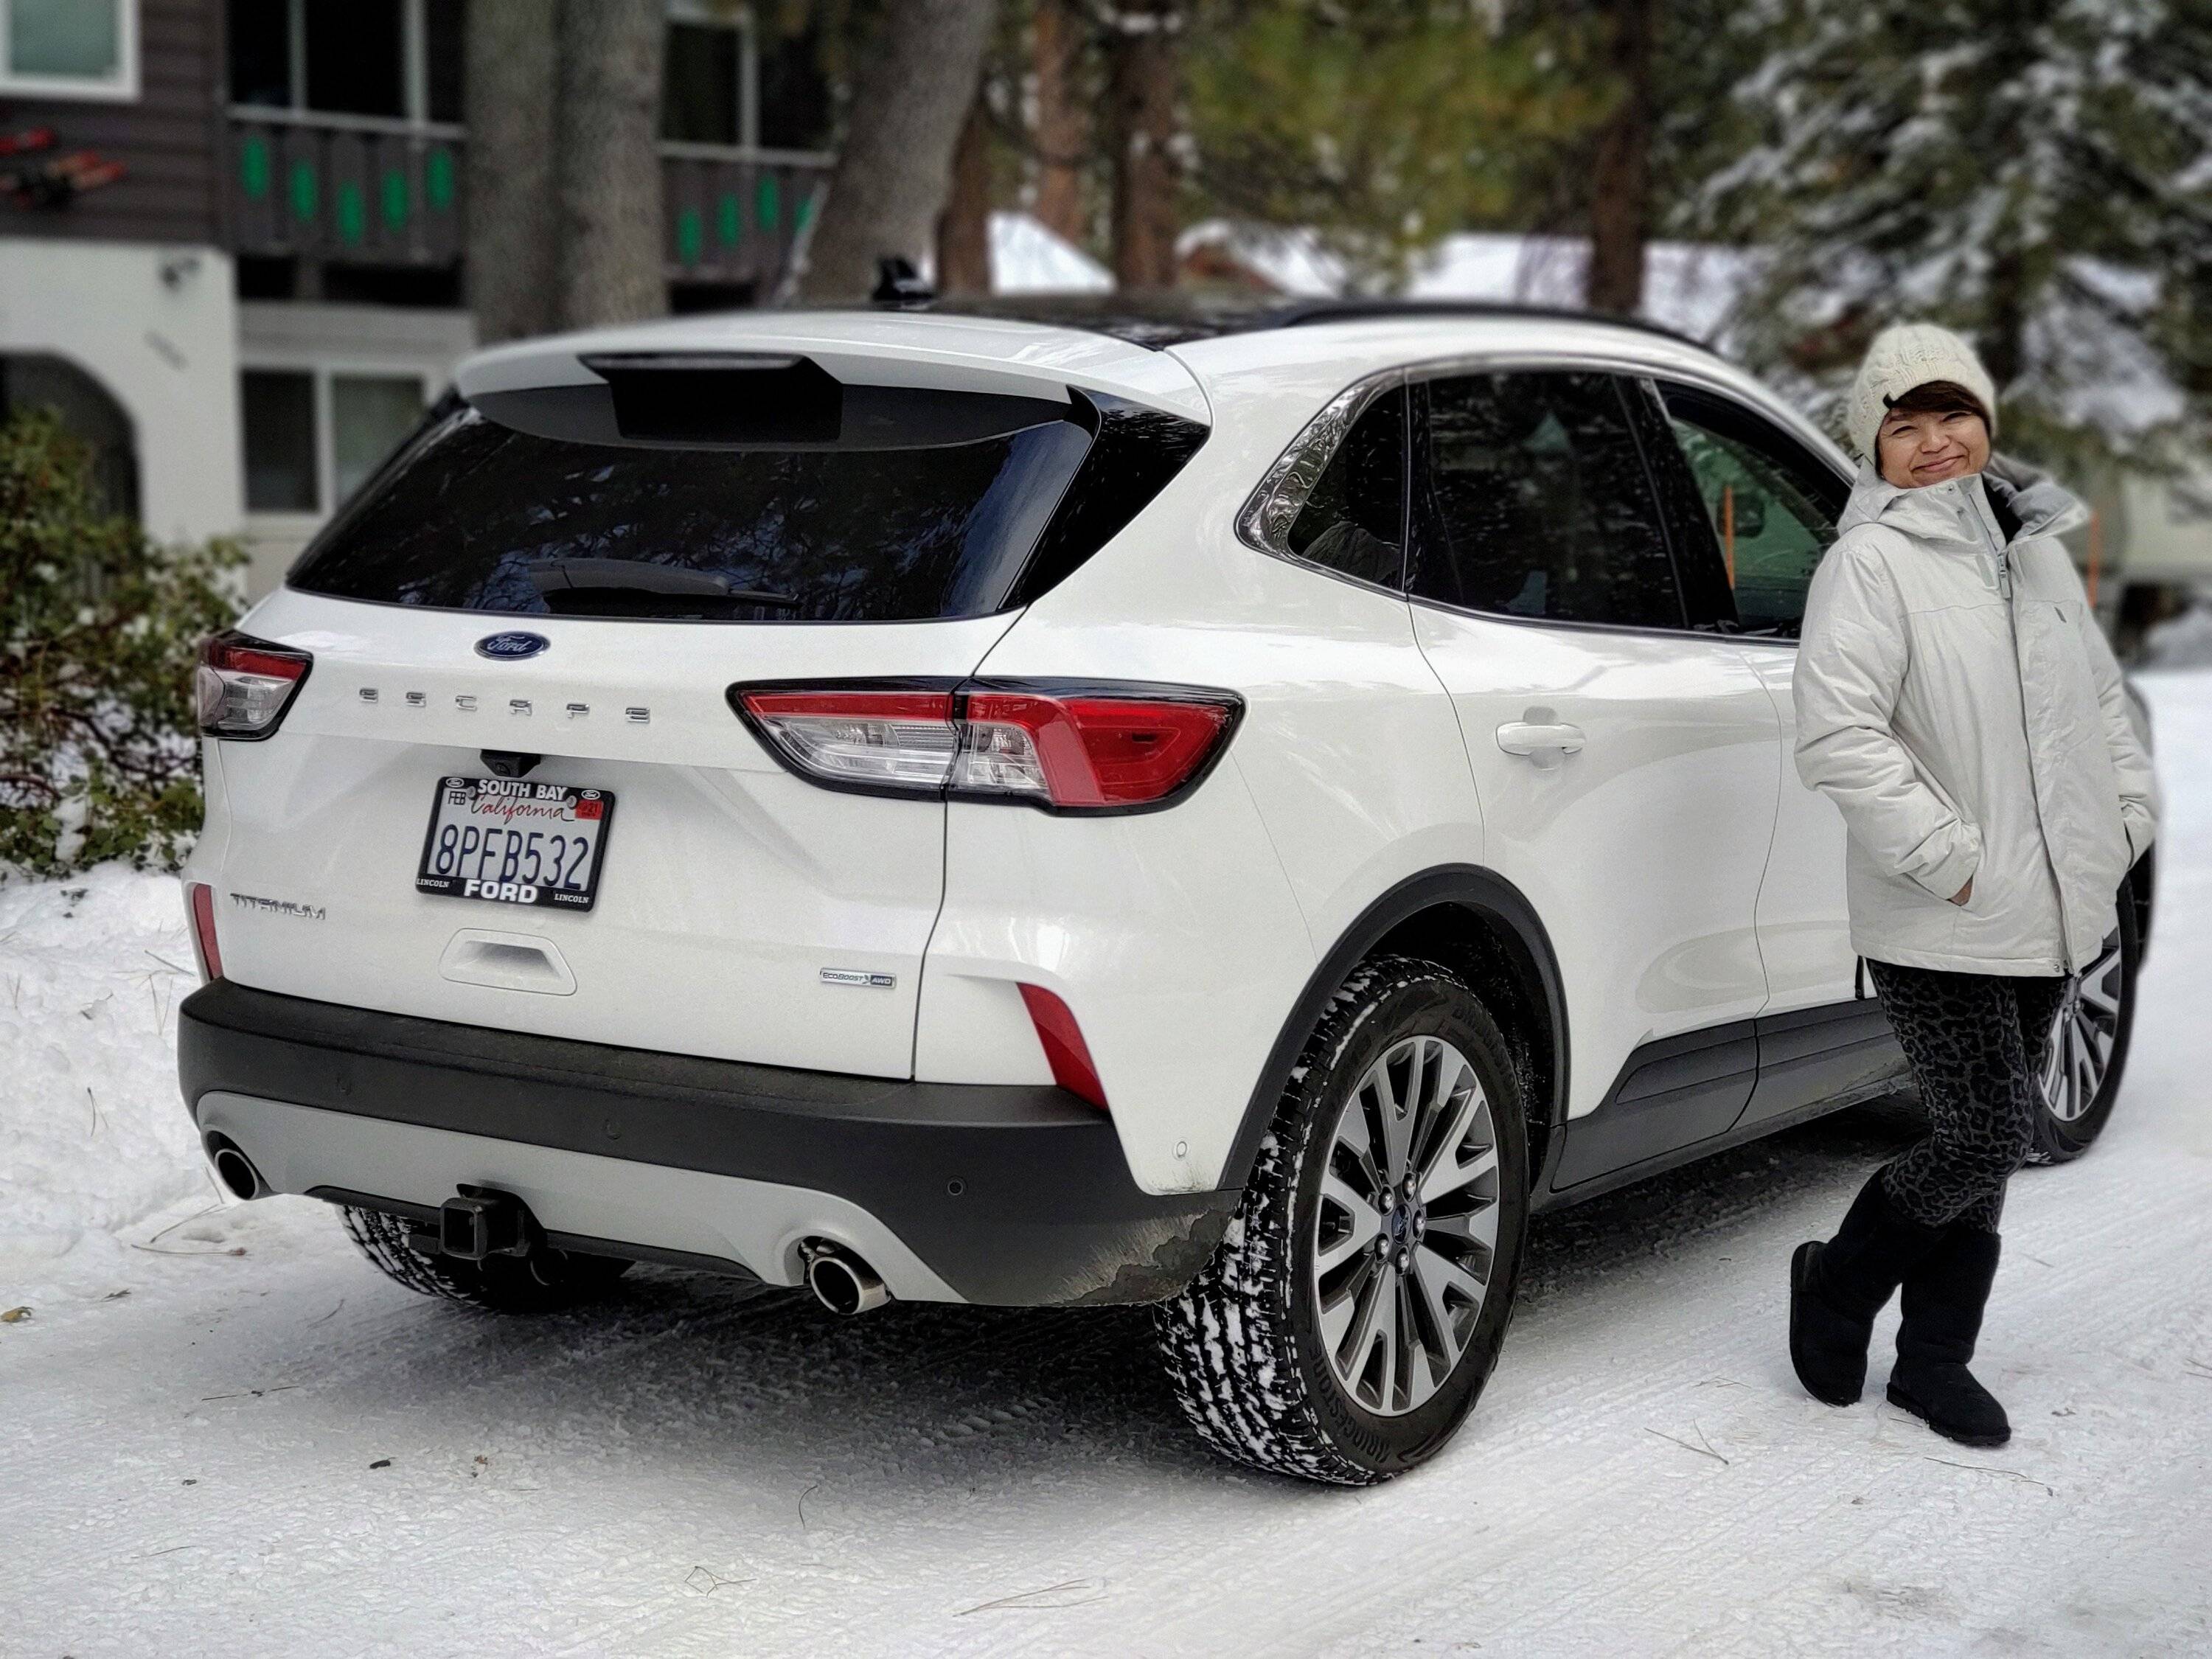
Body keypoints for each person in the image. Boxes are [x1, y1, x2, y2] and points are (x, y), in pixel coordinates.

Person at [1786, 322, 2158, 1447]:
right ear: (1875, 449)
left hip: (2051, 904)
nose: (1935, 441)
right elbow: (1838, 734)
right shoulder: (1869, 564)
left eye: (1953, 416)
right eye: (1906, 425)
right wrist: (1946, 856)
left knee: (1985, 1139)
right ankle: (1840, 1284)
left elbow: (2098, 704)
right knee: (1991, 1130)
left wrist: (2124, 819)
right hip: (1937, 903)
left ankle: (1934, 1360)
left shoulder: (2034, 550)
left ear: (1987, 423)